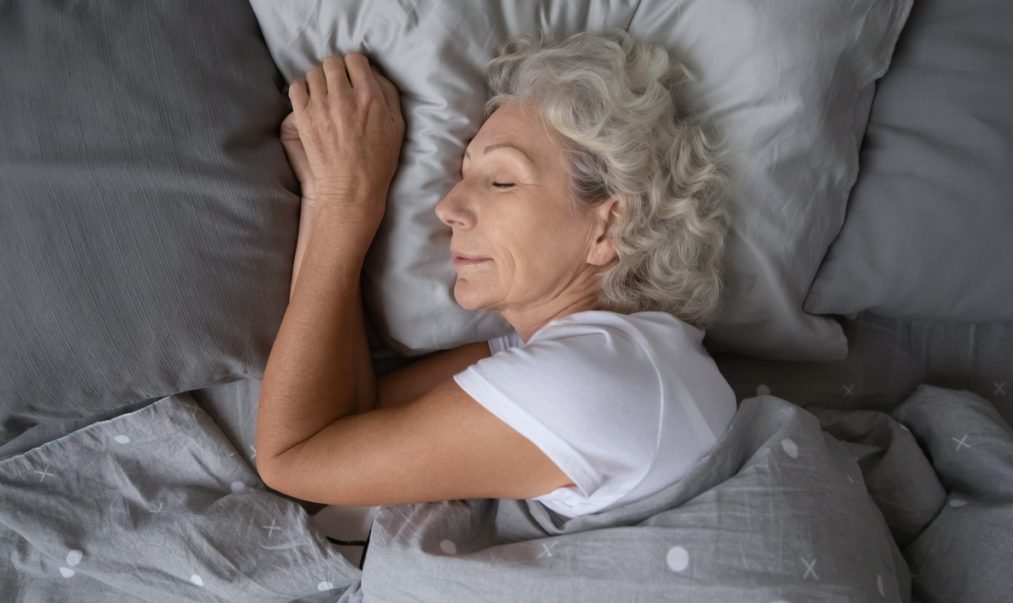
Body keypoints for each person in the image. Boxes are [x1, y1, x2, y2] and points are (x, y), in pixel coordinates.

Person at [256, 28, 738, 530]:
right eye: (463, 176)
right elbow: (354, 417)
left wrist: (347, 203)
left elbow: (293, 457)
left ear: (609, 225)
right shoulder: (610, 353)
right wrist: (324, 196)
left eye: (502, 180)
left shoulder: (581, 383)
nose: (448, 208)